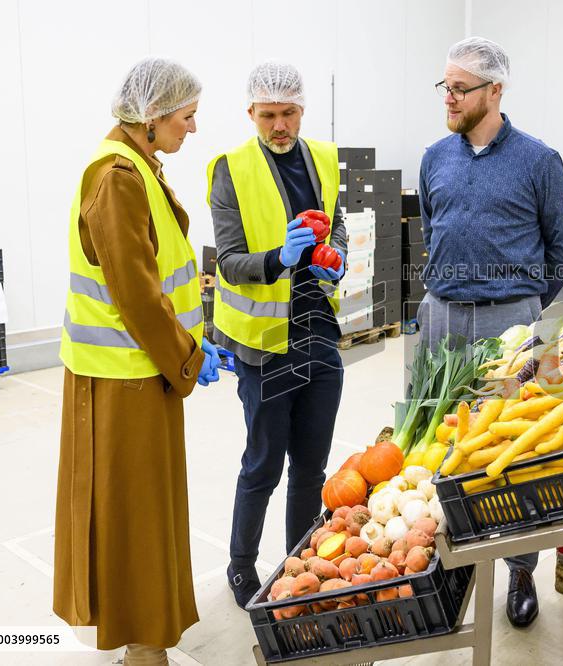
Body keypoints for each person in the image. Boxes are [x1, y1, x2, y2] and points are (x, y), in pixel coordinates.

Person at [53, 57, 220, 666]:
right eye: (187, 117)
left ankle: (144, 634)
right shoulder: (118, 178)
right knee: (135, 515)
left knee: (145, 511)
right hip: (123, 380)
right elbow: (136, 296)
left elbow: (154, 274)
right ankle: (142, 647)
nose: (192, 129)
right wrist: (186, 356)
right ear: (151, 119)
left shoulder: (139, 168)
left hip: (141, 373)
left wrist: (193, 333)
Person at [418, 37, 563, 628]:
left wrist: (527, 310)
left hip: (506, 319)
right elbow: (434, 232)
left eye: (461, 89)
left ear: (495, 91)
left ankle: (519, 568)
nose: (450, 99)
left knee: (509, 450)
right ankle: (443, 565)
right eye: (447, 87)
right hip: (440, 316)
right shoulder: (436, 156)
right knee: (437, 438)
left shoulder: (539, 161)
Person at [209, 61, 347, 609]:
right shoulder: (230, 169)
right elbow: (229, 262)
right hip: (264, 343)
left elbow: (335, 223)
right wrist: (278, 259)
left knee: (311, 465)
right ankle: (241, 565)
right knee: (263, 462)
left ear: (302, 110)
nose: (279, 125)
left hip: (318, 329)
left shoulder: (327, 159)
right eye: (267, 115)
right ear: (250, 114)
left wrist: (333, 258)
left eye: (288, 113)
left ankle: (297, 560)